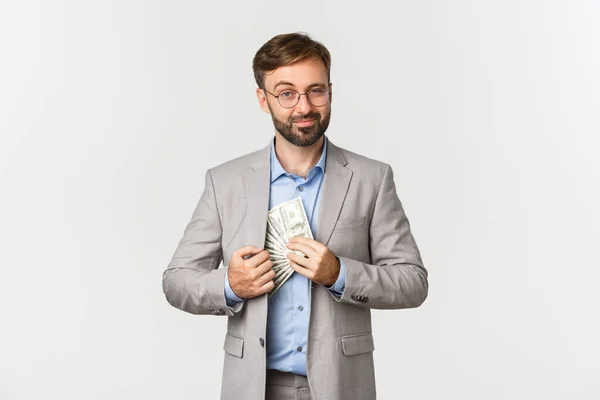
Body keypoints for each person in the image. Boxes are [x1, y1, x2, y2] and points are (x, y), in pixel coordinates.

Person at [162, 32, 428, 400]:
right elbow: (177, 281)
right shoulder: (224, 182)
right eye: (286, 93)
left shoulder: (372, 178)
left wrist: (340, 274)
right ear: (263, 99)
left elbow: (412, 282)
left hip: (341, 385)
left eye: (315, 91)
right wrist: (229, 285)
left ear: (330, 92)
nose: (304, 107)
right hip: (253, 386)